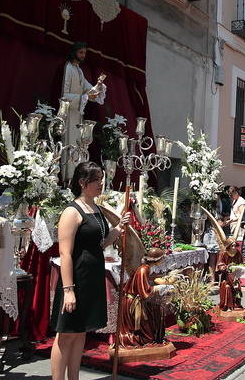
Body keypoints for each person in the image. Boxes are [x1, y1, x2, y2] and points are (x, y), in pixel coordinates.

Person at [50, 161, 128, 380]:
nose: (101, 184)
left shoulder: (95, 209)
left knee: (80, 332)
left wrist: (118, 228)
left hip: (92, 278)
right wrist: (68, 290)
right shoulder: (71, 212)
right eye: (97, 180)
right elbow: (65, 253)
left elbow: (100, 244)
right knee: (66, 335)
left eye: (102, 179)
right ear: (83, 183)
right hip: (76, 279)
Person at [61, 42, 107, 183]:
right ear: (74, 52)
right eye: (81, 52)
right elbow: (64, 95)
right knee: (70, 145)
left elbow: (89, 90)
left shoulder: (79, 71)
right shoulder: (68, 68)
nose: (83, 55)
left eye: (85, 53)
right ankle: (67, 179)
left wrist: (99, 86)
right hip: (68, 114)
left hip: (78, 115)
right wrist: (84, 97)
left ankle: (76, 180)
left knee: (78, 146)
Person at [115, 248, 169, 347]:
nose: (163, 260)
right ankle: (136, 339)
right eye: (162, 258)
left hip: (134, 300)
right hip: (132, 303)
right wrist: (160, 288)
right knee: (148, 335)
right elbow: (144, 291)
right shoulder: (144, 269)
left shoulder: (146, 268)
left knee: (152, 320)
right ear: (157, 260)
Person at [215, 237, 245, 310]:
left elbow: (242, 262)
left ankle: (236, 304)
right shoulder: (223, 254)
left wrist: (240, 267)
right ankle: (227, 305)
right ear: (228, 246)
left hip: (235, 275)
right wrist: (226, 267)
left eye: (235, 245)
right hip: (226, 276)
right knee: (227, 287)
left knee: (237, 287)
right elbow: (220, 264)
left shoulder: (238, 253)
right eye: (232, 246)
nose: (234, 247)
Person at [228, 186, 245, 251]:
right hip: (234, 227)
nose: (230, 197)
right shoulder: (235, 201)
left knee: (239, 245)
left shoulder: (241, 201)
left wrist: (232, 220)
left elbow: (242, 215)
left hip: (239, 228)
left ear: (236, 193)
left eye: (231, 195)